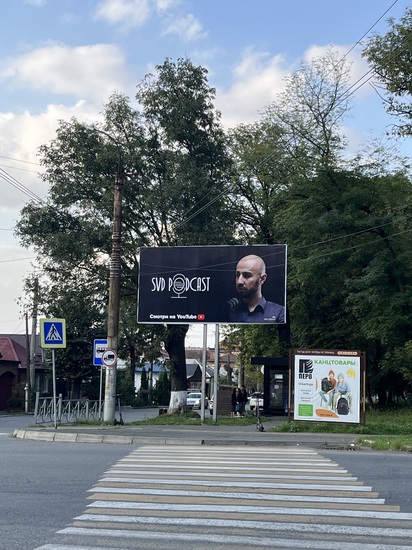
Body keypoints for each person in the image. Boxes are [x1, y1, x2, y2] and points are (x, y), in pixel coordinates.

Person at [228, 254, 285, 323]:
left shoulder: (279, 313)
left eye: (247, 275)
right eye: (237, 275)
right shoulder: (228, 311)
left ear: (262, 279)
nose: (239, 281)